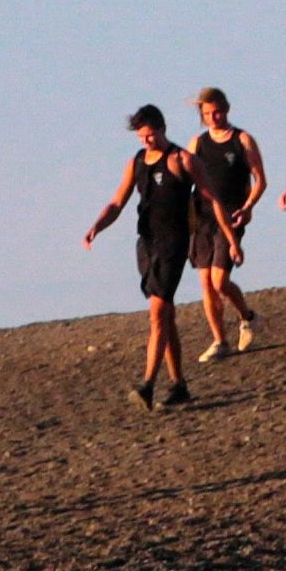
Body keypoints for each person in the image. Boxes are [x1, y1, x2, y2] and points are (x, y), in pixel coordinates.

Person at [84, 105, 203, 409]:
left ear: (162, 129)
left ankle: (147, 385)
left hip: (174, 243)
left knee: (157, 315)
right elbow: (117, 201)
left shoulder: (181, 159)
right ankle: (179, 386)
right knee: (166, 317)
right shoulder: (136, 162)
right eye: (142, 137)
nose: (147, 141)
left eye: (151, 135)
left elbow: (211, 198)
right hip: (146, 243)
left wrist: (231, 240)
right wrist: (96, 227)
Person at [183, 87, 265, 357]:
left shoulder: (242, 140)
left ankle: (247, 316)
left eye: (217, 111)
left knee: (220, 280)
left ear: (226, 109)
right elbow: (185, 180)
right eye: (207, 113)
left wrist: (248, 206)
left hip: (232, 214)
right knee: (205, 281)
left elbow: (260, 181)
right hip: (202, 216)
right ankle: (220, 340)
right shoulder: (197, 143)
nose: (213, 117)